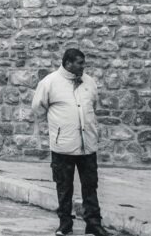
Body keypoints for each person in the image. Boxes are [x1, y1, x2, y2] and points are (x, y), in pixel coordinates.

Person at [32, 48, 111, 236]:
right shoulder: (49, 83)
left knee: (91, 186)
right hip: (63, 146)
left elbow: (93, 105)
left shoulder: (89, 82)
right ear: (68, 63)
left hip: (88, 146)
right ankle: (65, 224)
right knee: (64, 187)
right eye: (79, 63)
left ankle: (93, 224)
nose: (83, 66)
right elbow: (38, 108)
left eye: (83, 62)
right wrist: (59, 126)